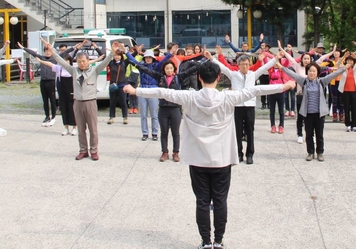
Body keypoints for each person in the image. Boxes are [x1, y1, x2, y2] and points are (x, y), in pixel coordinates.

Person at [123, 61, 296, 249]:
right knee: (220, 201)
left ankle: (206, 241)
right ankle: (219, 241)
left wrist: (135, 91)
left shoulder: (190, 97)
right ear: (219, 77)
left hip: (198, 161)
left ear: (199, 78)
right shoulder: (227, 98)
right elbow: (256, 91)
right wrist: (284, 86)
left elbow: (161, 92)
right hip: (221, 160)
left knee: (202, 202)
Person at [48, 39, 113, 161]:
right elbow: (60, 61)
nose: (82, 64)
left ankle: (94, 151)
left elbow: (105, 62)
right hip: (77, 102)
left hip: (90, 102)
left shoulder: (94, 70)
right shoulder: (73, 71)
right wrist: (52, 51)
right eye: (79, 62)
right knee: (81, 129)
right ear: (76, 62)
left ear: (88, 61)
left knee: (93, 129)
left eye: (84, 61)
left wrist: (112, 53)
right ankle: (83, 150)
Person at [211, 45, 277, 164]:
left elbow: (264, 68)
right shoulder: (234, 74)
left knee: (250, 131)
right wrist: (211, 58)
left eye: (247, 64)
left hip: (250, 106)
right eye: (243, 64)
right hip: (237, 106)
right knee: (237, 131)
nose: (245, 66)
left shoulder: (253, 74)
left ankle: (250, 154)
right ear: (239, 65)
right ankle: (239, 154)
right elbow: (222, 67)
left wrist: (275, 59)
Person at [280, 58, 345, 162]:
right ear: (307, 72)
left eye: (314, 71)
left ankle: (320, 153)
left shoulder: (322, 82)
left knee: (319, 134)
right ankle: (310, 152)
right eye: (310, 71)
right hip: (308, 113)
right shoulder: (304, 81)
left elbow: (333, 75)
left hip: (319, 114)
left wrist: (344, 68)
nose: (312, 73)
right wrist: (281, 67)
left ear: (317, 73)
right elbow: (293, 74)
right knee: (309, 134)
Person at [126, 47, 172, 141]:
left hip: (153, 90)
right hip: (142, 89)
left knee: (154, 114)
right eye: (146, 57)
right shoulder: (141, 66)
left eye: (150, 57)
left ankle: (155, 133)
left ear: (152, 58)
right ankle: (145, 133)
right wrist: (126, 52)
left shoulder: (156, 67)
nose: (148, 59)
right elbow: (133, 60)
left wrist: (170, 54)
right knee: (143, 114)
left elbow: (163, 60)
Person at [338, 51, 356, 132]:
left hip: (354, 92)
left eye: (351, 60)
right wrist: (343, 57)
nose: (349, 62)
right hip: (345, 91)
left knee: (354, 109)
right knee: (346, 109)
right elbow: (337, 64)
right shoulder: (343, 68)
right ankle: (348, 125)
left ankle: (354, 125)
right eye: (348, 60)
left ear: (353, 62)